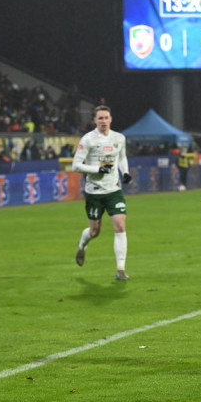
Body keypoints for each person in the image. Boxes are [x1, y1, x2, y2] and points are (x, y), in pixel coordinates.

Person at [72, 105, 132, 280]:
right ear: (95, 120)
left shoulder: (119, 138)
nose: (103, 121)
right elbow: (76, 165)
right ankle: (82, 245)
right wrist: (98, 169)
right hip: (94, 191)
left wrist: (125, 172)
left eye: (106, 118)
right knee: (94, 232)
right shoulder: (88, 139)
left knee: (120, 225)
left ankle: (120, 269)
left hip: (114, 190)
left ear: (111, 119)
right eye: (100, 118)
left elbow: (121, 157)